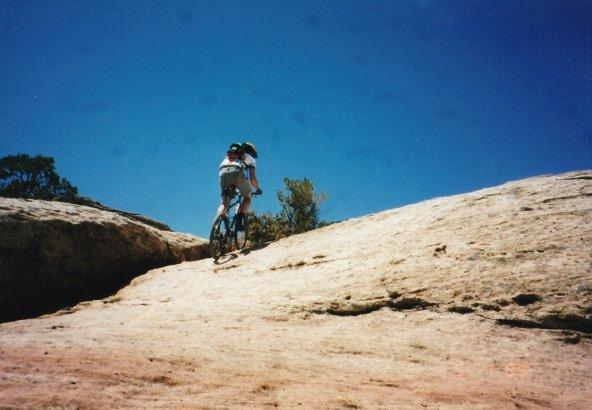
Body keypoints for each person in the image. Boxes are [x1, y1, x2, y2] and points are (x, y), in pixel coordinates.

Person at [216, 141, 262, 230]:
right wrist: (257, 188)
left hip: (223, 172)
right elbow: (252, 179)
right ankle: (239, 220)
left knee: (224, 204)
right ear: (252, 151)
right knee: (248, 197)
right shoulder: (251, 159)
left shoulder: (230, 155)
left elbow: (228, 171)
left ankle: (216, 225)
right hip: (237, 172)